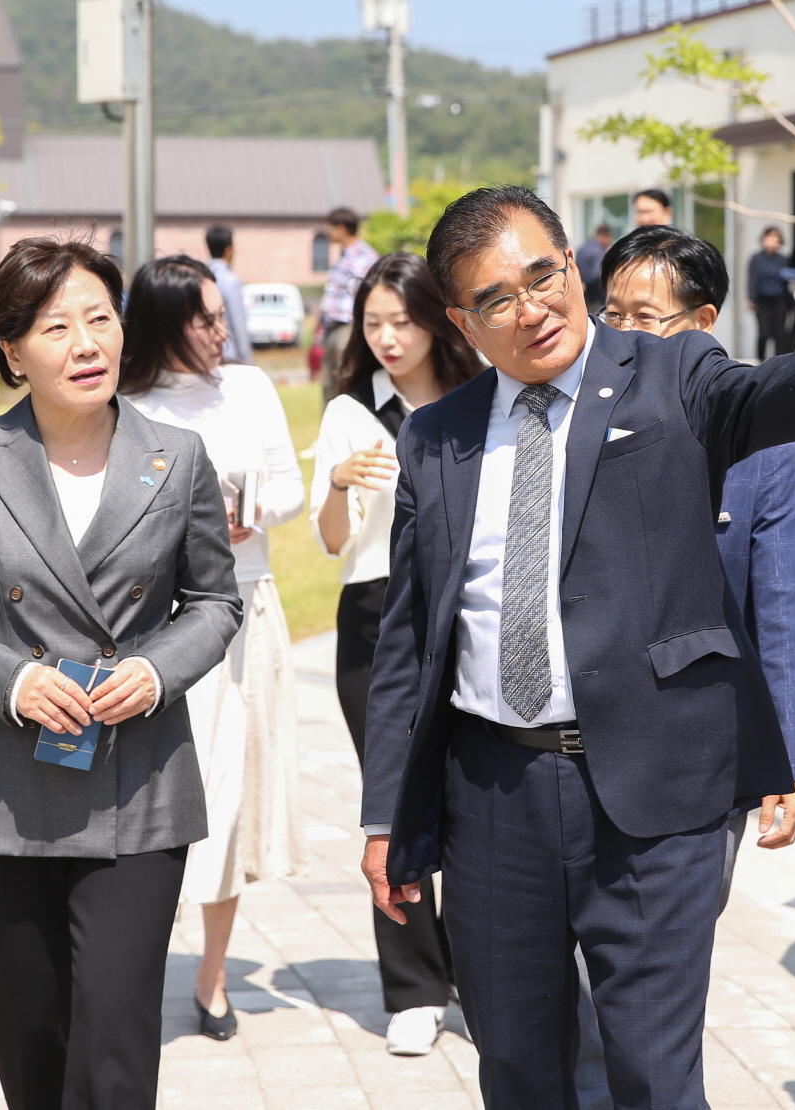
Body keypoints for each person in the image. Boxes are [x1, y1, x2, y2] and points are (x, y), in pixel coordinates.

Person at [358, 184, 795, 1109]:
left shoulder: (670, 376)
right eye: (498, 298)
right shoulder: (438, 438)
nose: (532, 309)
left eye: (543, 276)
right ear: (462, 321)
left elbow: (771, 397)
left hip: (653, 795)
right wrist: (387, 814)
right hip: (490, 798)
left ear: (572, 266)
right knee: (516, 1071)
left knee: (654, 1076)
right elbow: (411, 642)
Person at [0, 236, 242, 1109]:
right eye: (57, 326)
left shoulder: (178, 457)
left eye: (100, 318)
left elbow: (214, 604)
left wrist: (157, 672)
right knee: (25, 1020)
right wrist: (15, 682)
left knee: (118, 1036)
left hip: (139, 783)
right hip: (3, 786)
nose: (87, 344)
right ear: (12, 349)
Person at [600, 221, 795, 898]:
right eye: (610, 314)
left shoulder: (759, 442)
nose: (622, 332)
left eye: (645, 317)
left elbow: (786, 609)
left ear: (702, 321)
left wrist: (790, 759)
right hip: (581, 738)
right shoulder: (568, 417)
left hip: (700, 754)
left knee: (667, 956)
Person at [121, 254, 307, 1042]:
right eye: (203, 317)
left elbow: (291, 490)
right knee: (143, 808)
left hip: (240, 613)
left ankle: (213, 976)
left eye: (220, 312)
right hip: (147, 626)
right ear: (164, 324)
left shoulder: (250, 389)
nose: (220, 328)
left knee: (226, 802)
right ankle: (127, 969)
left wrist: (256, 513)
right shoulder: (122, 403)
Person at [309, 251, 482, 1056]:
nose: (385, 338)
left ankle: (485, 979)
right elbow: (331, 541)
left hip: (470, 613)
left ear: (438, 319)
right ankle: (414, 990)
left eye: (400, 322)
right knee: (394, 802)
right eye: (371, 324)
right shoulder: (347, 413)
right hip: (375, 618)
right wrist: (339, 482)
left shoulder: (479, 396)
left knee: (477, 800)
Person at [318, 206, 380, 397]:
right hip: (333, 328)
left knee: (345, 383)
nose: (328, 232)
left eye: (330, 227)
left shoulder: (364, 257)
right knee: (329, 384)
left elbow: (367, 298)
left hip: (349, 328)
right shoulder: (345, 256)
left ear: (341, 228)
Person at [205, 225, 254, 365]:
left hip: (205, 353)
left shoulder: (199, 276)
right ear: (229, 250)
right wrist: (247, 360)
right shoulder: (231, 281)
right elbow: (238, 323)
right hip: (229, 353)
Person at [746, 226, 793, 360]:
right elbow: (752, 279)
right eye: (769, 237)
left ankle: (778, 363)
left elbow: (788, 281)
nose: (772, 241)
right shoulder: (756, 259)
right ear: (763, 239)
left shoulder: (784, 259)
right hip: (762, 301)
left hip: (780, 300)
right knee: (764, 333)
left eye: (775, 238)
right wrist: (751, 299)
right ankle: (760, 361)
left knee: (779, 334)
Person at [575, 224, 613, 312]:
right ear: (605, 236)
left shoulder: (582, 248)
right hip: (595, 297)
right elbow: (596, 274)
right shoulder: (598, 251)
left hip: (583, 295)